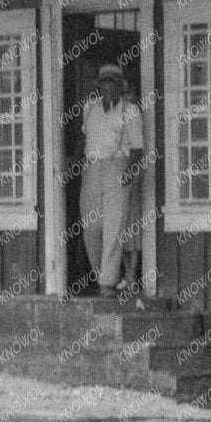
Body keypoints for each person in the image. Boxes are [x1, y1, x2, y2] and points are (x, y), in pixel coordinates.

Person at [79, 61, 144, 295]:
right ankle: (101, 273)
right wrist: (74, 163)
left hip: (118, 166)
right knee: (92, 226)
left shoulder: (130, 110)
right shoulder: (90, 108)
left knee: (114, 227)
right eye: (104, 82)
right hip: (92, 168)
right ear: (98, 85)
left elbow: (137, 147)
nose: (108, 87)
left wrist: (130, 170)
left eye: (113, 83)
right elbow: (83, 138)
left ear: (120, 86)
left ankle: (107, 283)